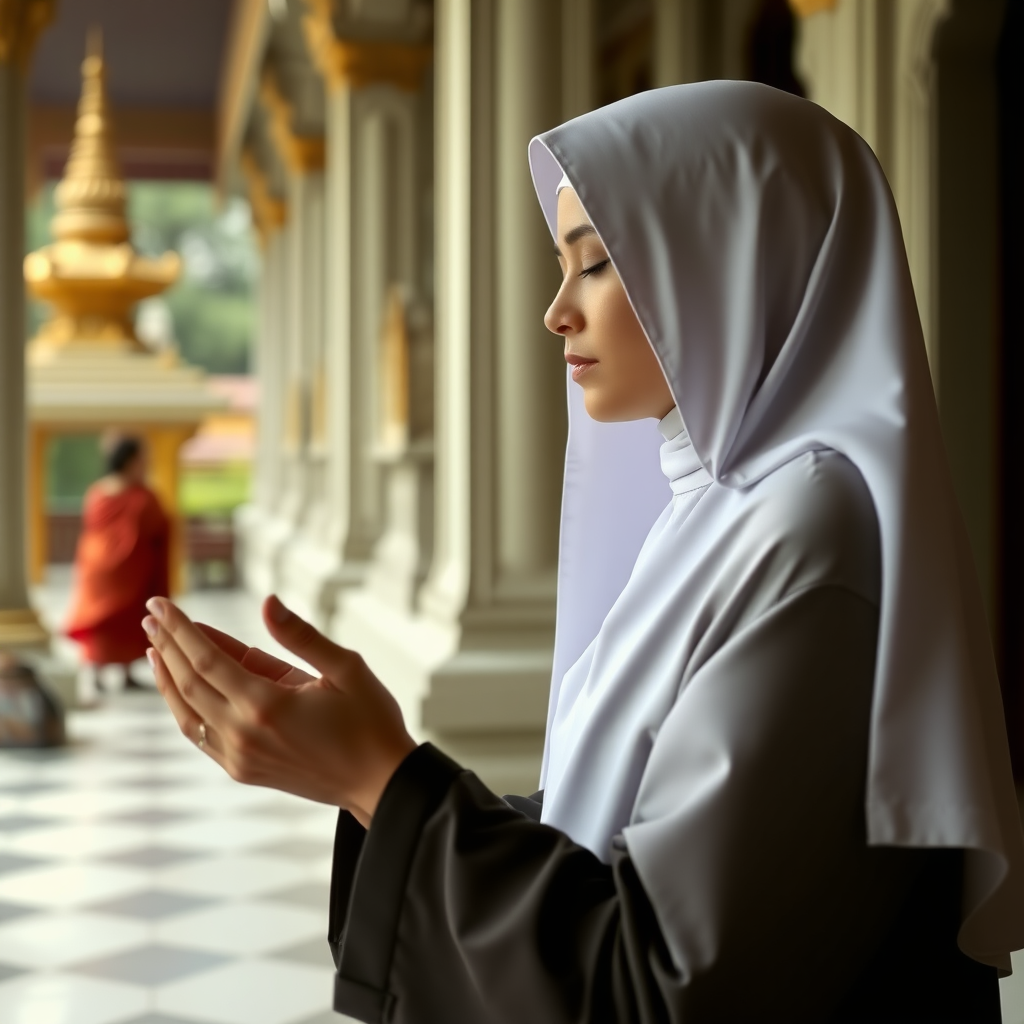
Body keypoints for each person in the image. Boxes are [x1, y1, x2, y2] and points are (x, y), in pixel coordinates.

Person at [142, 82, 1024, 1022]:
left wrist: (383, 778)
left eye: (595, 263)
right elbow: (605, 831)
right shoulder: (719, 509)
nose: (558, 311)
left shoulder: (810, 531)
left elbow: (671, 984)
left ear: (727, 262)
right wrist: (366, 780)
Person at [67, 435, 169, 694]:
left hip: (95, 565)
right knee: (125, 617)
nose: (147, 465)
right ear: (131, 461)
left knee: (104, 618)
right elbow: (156, 525)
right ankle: (123, 673)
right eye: (143, 460)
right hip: (129, 570)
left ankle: (98, 672)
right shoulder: (142, 496)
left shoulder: (96, 492)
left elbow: (91, 527)